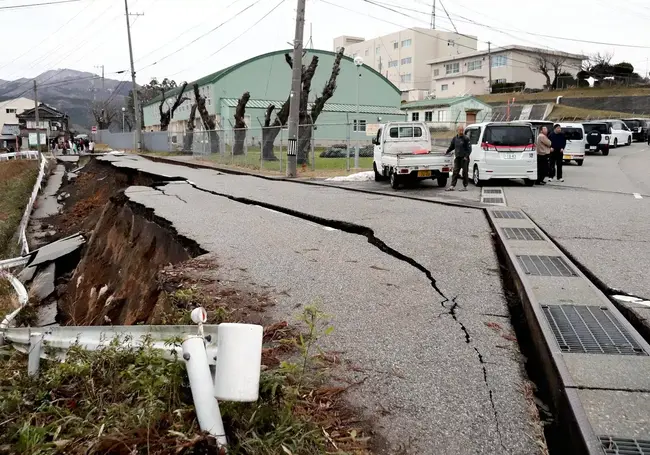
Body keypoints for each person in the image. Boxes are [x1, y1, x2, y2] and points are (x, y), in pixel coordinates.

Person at [444, 125, 472, 191]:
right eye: (460, 130)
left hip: (464, 158)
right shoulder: (455, 139)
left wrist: (466, 156)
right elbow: (452, 147)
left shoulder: (466, 139)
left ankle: (465, 186)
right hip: (457, 158)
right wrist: (447, 152)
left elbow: (469, 149)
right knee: (455, 172)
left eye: (462, 130)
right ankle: (452, 186)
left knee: (464, 173)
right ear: (457, 130)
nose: (461, 131)